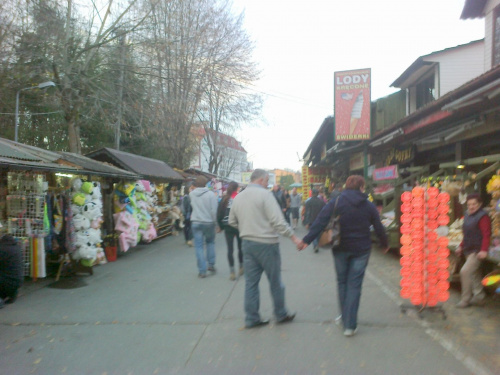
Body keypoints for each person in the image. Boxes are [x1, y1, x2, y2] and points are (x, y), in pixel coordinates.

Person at [297, 175, 388, 337]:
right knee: (354, 285)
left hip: (340, 248)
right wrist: (385, 244)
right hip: (361, 249)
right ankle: (350, 325)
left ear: (346, 187)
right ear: (361, 187)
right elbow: (378, 227)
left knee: (342, 282)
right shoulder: (368, 205)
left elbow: (320, 221)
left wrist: (306, 240)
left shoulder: (336, 202)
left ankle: (344, 318)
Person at [229, 169, 301, 328]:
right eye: (267, 180)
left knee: (250, 283)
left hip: (247, 243)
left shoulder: (239, 197)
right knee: (275, 281)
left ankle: (251, 318)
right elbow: (278, 222)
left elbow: (232, 221)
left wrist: (246, 228)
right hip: (267, 244)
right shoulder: (265, 195)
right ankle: (280, 313)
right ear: (261, 180)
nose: (268, 184)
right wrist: (293, 237)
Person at [455, 193, 491, 308]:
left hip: (477, 250)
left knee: (465, 271)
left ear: (479, 204)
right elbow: (466, 234)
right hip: (468, 249)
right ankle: (480, 298)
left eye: (474, 204)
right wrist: (461, 246)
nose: (471, 206)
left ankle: (465, 299)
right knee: (474, 274)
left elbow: (486, 234)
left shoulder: (483, 216)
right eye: (469, 204)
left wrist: (484, 250)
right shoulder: (467, 214)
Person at [189, 176, 218, 278]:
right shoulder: (211, 195)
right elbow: (214, 211)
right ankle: (211, 265)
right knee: (210, 243)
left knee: (199, 246)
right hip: (208, 222)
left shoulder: (192, 194)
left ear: (196, 184)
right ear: (206, 184)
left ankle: (202, 271)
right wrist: (216, 223)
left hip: (196, 222)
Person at [217, 181, 243, 281]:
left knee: (230, 249)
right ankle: (241, 266)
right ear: (237, 188)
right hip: (238, 226)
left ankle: (232, 271)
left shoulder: (224, 199)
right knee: (241, 247)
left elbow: (219, 213)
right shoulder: (240, 198)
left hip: (227, 226)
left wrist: (220, 226)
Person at [0, 234, 24, 309]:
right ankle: (12, 294)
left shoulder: (2, 249)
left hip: (6, 281)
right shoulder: (17, 248)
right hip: (18, 280)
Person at [303, 189, 326, 253]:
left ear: (312, 194)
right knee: (318, 233)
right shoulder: (322, 202)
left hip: (311, 221)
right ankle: (317, 244)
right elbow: (325, 211)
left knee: (313, 233)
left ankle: (315, 245)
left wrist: (306, 222)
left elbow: (307, 213)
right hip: (320, 220)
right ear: (318, 194)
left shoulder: (308, 202)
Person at [181, 182, 194, 247]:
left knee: (187, 227)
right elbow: (184, 206)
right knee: (189, 226)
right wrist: (185, 214)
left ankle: (187, 239)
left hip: (187, 214)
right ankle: (188, 239)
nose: (191, 190)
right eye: (190, 189)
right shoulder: (186, 197)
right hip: (187, 214)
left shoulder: (187, 196)